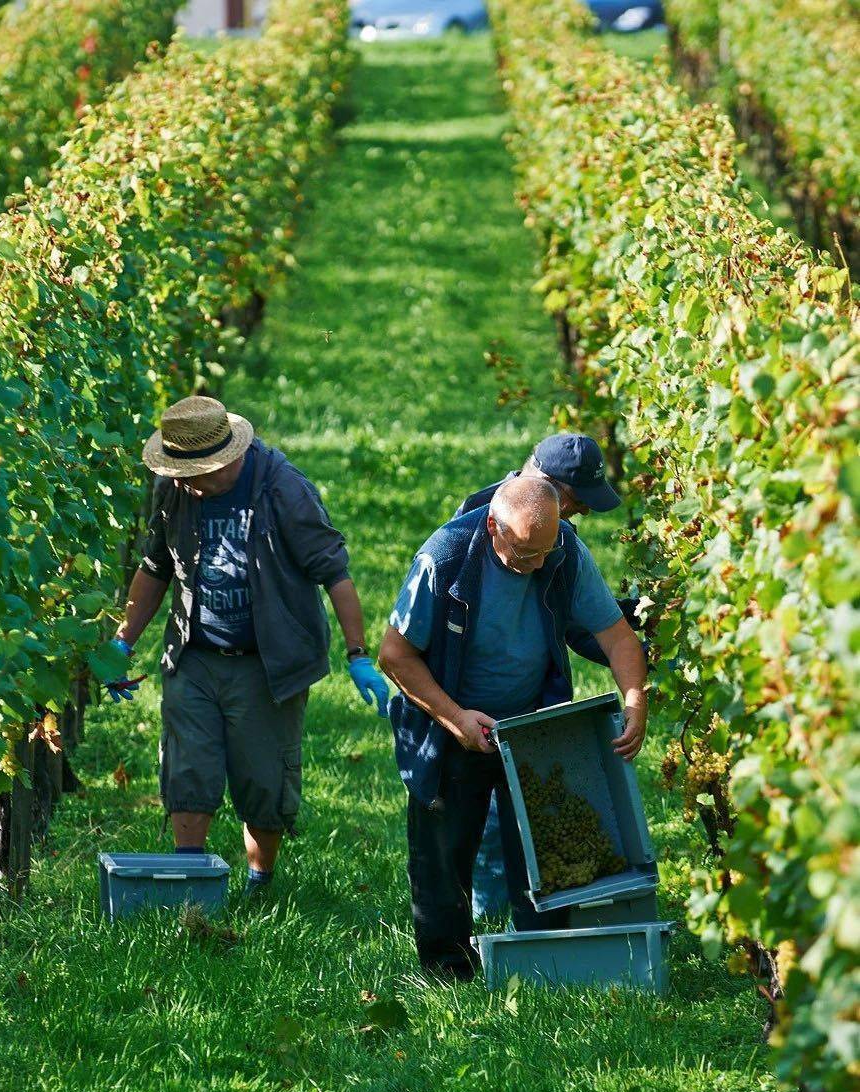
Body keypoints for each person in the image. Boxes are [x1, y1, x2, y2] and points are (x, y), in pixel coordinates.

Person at [105, 394, 389, 894]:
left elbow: (335, 574)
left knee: (263, 780)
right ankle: (189, 886)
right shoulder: (175, 490)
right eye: (178, 474)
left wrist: (358, 655)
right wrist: (122, 642)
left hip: (266, 662)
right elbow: (155, 567)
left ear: (225, 458)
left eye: (193, 474)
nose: (185, 485)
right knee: (187, 768)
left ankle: (260, 884)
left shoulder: (283, 489)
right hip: (194, 652)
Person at [379, 474, 647, 982]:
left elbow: (617, 637)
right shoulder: (444, 559)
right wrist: (456, 718)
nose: (538, 565)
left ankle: (545, 962)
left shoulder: (562, 549)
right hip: (449, 719)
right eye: (525, 555)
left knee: (543, 846)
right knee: (443, 852)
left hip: (530, 719)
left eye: (545, 552)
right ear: (493, 528)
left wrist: (634, 697)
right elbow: (395, 655)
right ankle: (447, 974)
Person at [459, 432, 638, 919]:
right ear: (549, 489)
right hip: (473, 709)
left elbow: (579, 621)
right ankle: (488, 931)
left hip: (533, 699)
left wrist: (629, 629)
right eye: (578, 501)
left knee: (532, 815)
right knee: (491, 826)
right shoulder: (473, 534)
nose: (579, 514)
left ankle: (534, 925)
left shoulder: (560, 543)